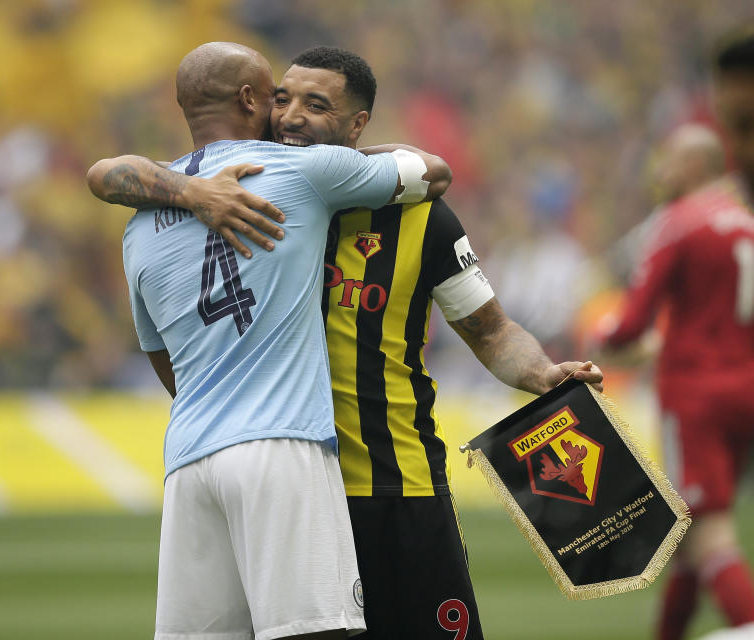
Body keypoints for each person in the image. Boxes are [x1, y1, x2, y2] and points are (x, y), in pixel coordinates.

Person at [96, 45, 604, 639]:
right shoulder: (250, 197)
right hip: (295, 484)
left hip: (397, 484)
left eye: (316, 106)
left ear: (357, 125)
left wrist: (541, 373)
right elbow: (109, 176)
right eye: (282, 99)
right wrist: (192, 193)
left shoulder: (421, 219)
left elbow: (491, 331)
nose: (290, 117)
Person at [88, 42, 447, 640]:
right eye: (277, 97)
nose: (285, 115)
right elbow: (433, 172)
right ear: (252, 99)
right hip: (282, 446)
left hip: (191, 461)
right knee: (318, 632)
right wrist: (346, 152)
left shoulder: (139, 222)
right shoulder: (301, 172)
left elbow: (162, 359)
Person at [599, 30, 754, 640]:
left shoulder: (676, 223)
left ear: (692, 166)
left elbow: (631, 323)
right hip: (745, 382)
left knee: (710, 527)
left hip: (697, 393)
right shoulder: (745, 219)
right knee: (690, 528)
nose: (659, 171)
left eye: (669, 161)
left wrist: (611, 337)